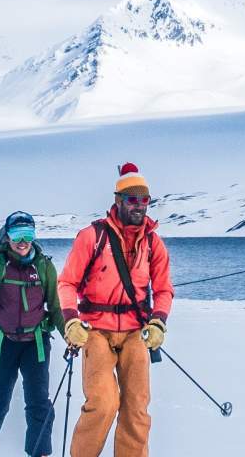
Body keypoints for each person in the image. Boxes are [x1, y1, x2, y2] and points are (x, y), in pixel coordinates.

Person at [58, 163, 174, 457]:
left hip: (136, 332)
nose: (139, 206)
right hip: (95, 331)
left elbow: (163, 290)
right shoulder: (92, 236)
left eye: (144, 200)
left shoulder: (153, 243)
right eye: (132, 199)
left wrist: (158, 322)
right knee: (104, 402)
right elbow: (67, 283)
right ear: (118, 200)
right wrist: (71, 321)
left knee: (136, 407)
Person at [0, 211, 64, 457]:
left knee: (39, 402)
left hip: (36, 344)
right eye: (17, 235)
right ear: (6, 237)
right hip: (3, 343)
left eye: (28, 234)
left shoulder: (45, 266)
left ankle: (38, 452)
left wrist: (69, 334)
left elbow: (55, 307)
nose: (23, 241)